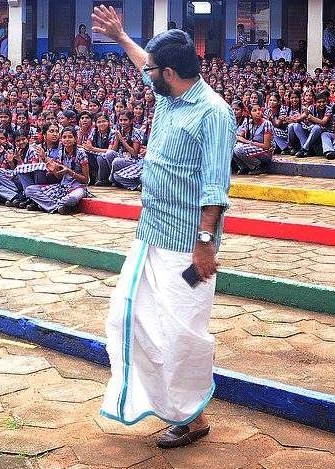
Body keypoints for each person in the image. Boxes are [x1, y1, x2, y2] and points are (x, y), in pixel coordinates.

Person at [92, 5, 235, 449]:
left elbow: (215, 187)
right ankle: (169, 404)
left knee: (181, 331)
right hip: (152, 233)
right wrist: (121, 38)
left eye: (152, 70)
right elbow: (144, 61)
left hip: (187, 247)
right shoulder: (168, 95)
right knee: (129, 316)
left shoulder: (212, 113)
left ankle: (192, 417)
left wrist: (205, 243)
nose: (145, 74)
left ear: (169, 73)